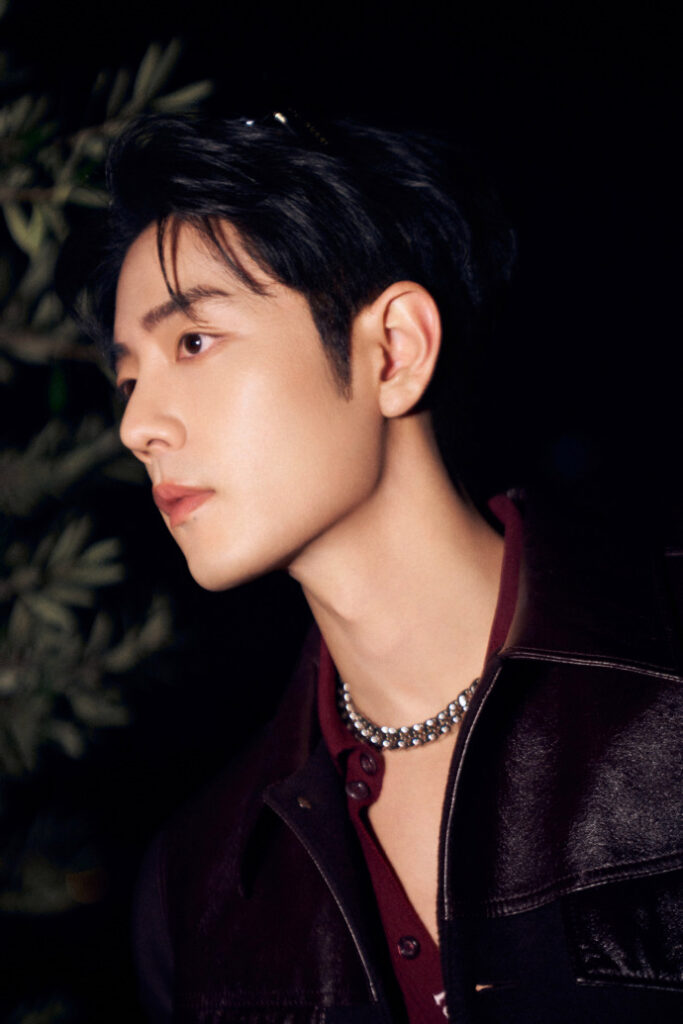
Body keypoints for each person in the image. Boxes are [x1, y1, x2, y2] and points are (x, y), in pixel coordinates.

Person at [90, 113, 682, 1023]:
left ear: (394, 349)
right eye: (129, 379)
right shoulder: (197, 888)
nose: (137, 427)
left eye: (193, 342)